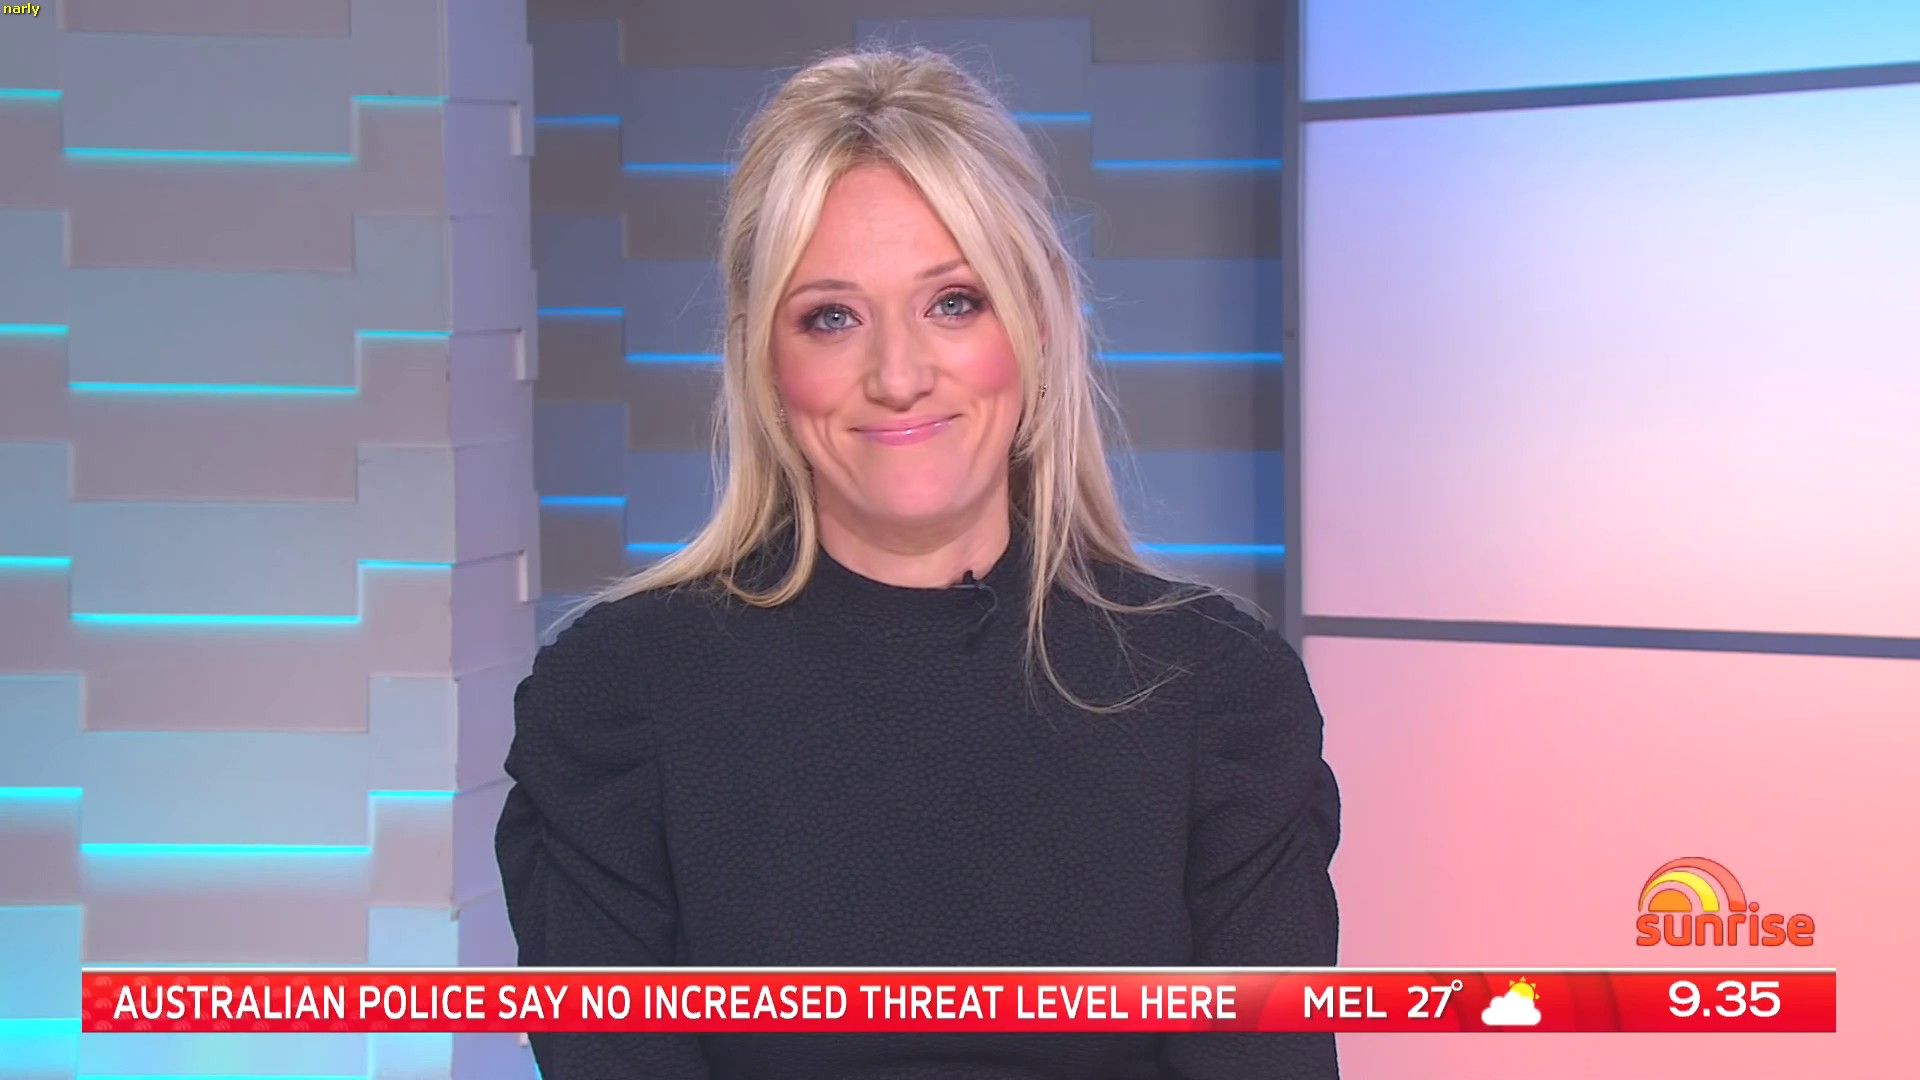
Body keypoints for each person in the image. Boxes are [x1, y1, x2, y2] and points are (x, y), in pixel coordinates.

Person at [494, 45, 1341, 1079]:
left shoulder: (1219, 696)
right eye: (832, 317)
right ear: (765, 361)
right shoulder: (614, 702)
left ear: (1037, 323)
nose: (898, 375)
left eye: (953, 302)